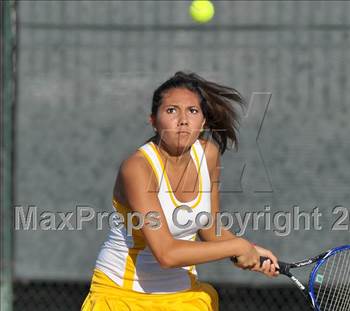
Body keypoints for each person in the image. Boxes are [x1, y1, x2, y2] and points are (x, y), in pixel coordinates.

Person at [81, 71, 279, 311]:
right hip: (122, 297)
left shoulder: (208, 155)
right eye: (171, 110)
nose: (183, 120)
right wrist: (238, 247)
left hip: (182, 297)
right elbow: (166, 254)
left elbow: (210, 229)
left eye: (193, 111)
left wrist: (250, 250)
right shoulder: (138, 168)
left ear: (203, 121)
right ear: (153, 120)